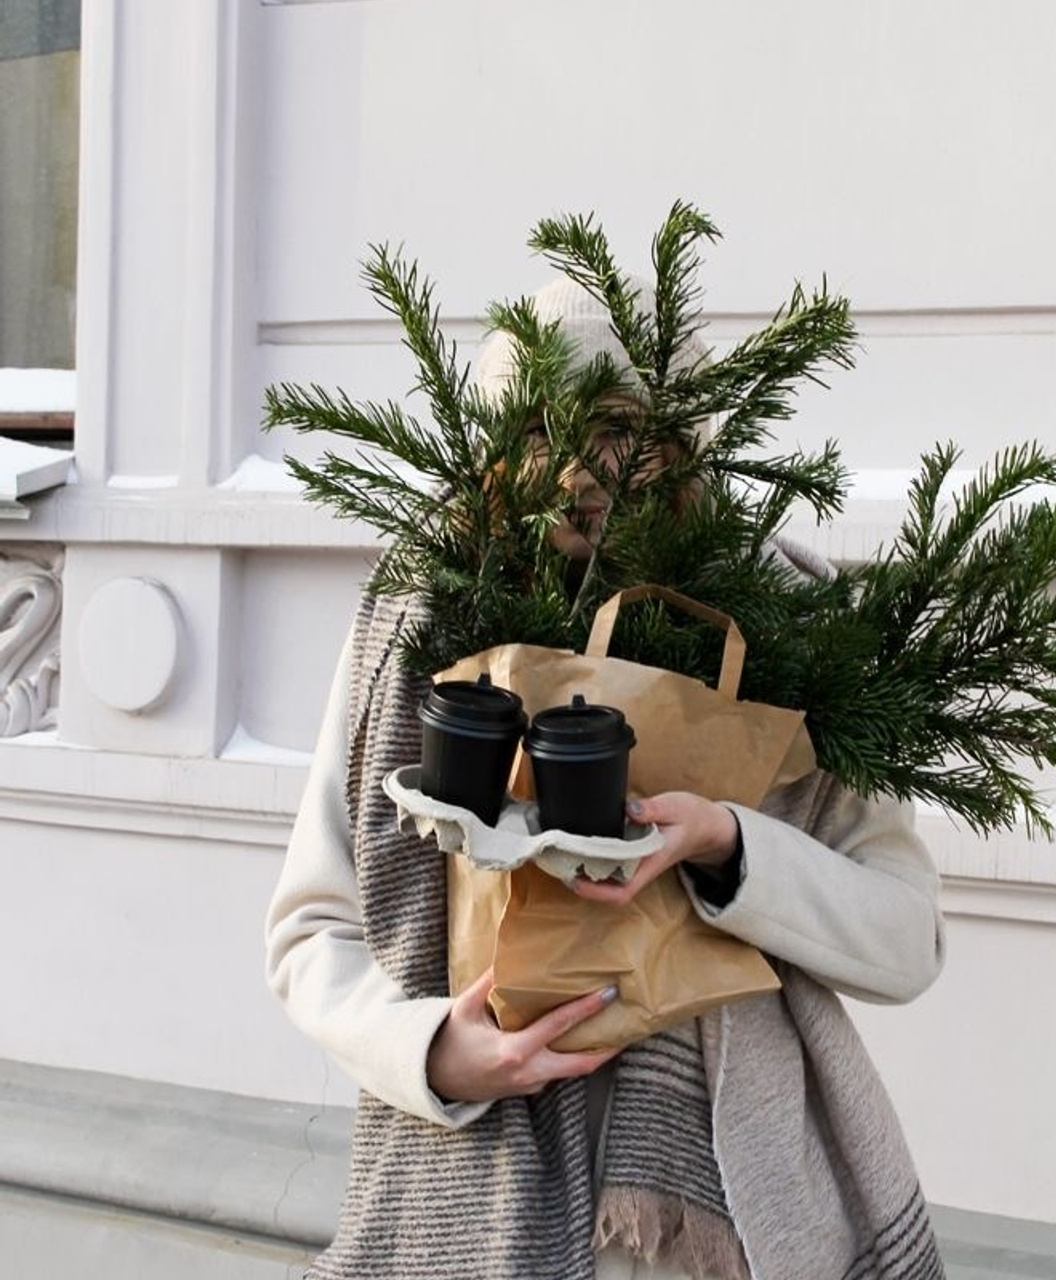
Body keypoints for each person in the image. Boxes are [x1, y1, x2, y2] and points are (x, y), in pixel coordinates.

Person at [265, 277, 949, 1280]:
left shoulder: (788, 633)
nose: (576, 473)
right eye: (538, 432)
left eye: (617, 431)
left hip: (721, 1223)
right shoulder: (416, 630)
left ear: (678, 446)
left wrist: (726, 842)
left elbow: (905, 936)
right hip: (472, 1185)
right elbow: (307, 930)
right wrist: (434, 1052)